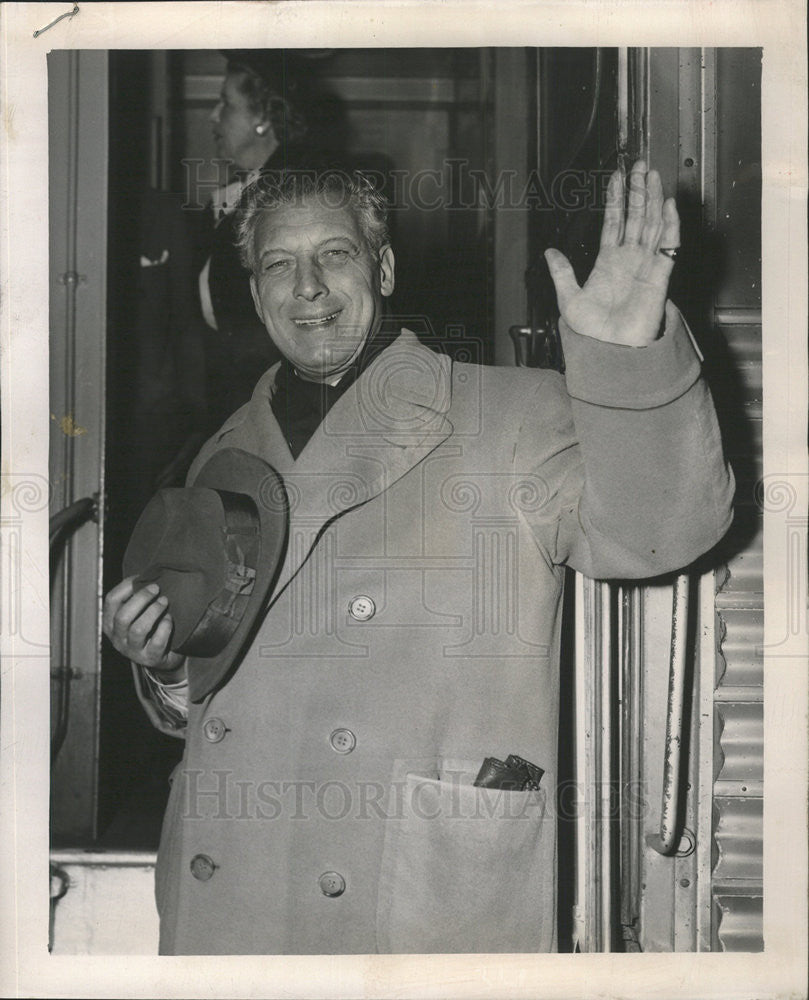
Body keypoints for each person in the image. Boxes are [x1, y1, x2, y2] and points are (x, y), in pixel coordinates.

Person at [103, 162, 734, 954]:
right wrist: (160, 660)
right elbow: (203, 701)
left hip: (410, 901)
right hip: (231, 896)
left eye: (334, 254)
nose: (306, 287)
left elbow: (663, 532)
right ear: (253, 288)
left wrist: (623, 359)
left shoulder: (509, 412)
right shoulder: (224, 455)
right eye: (276, 264)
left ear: (385, 268)